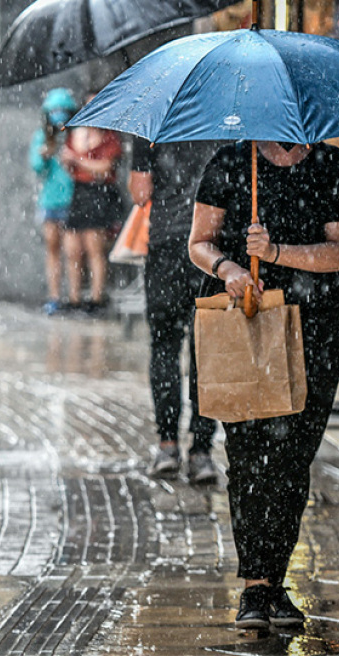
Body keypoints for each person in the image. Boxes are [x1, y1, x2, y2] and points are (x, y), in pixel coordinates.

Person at [189, 140, 339, 629]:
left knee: (291, 463)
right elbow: (200, 243)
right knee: (247, 458)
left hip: (317, 335)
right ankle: (255, 588)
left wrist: (276, 252)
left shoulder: (329, 163)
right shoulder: (230, 162)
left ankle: (274, 580)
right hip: (247, 328)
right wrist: (228, 268)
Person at [128, 139, 220, 483]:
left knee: (165, 346)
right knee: (206, 352)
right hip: (212, 251)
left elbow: (140, 194)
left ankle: (167, 446)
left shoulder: (154, 123)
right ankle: (201, 452)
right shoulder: (225, 115)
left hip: (166, 247)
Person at [60, 94, 122, 313]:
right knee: (72, 248)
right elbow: (71, 164)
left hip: (99, 194)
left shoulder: (109, 137)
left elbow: (105, 168)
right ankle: (74, 297)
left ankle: (96, 297)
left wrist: (79, 161)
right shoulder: (76, 134)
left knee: (94, 247)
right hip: (80, 192)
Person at [29, 88, 77, 314]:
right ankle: (55, 296)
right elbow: (36, 167)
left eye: (63, 110)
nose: (59, 115)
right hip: (50, 201)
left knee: (72, 251)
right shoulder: (42, 136)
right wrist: (44, 155)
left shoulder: (75, 135)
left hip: (72, 199)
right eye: (55, 111)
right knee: (53, 250)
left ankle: (74, 296)